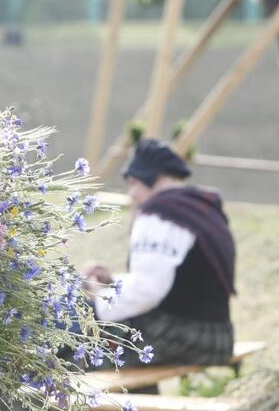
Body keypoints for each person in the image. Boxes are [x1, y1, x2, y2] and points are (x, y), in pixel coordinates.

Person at [86, 138, 236, 366]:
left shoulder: (160, 215)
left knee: (79, 342)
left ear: (152, 176)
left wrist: (98, 297)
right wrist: (113, 282)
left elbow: (147, 291)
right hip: (218, 338)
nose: (132, 194)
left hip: (183, 336)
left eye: (134, 182)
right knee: (118, 337)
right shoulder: (201, 209)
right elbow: (175, 281)